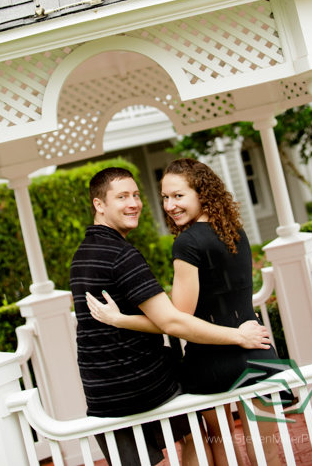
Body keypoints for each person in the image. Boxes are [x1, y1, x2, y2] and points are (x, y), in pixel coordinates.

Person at [86, 160, 286, 466]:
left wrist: (119, 319)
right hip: (257, 350)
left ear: (201, 193)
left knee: (224, 452)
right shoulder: (236, 231)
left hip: (211, 362)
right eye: (165, 198)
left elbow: (177, 318)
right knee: (268, 453)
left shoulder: (187, 243)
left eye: (178, 196)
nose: (169, 206)